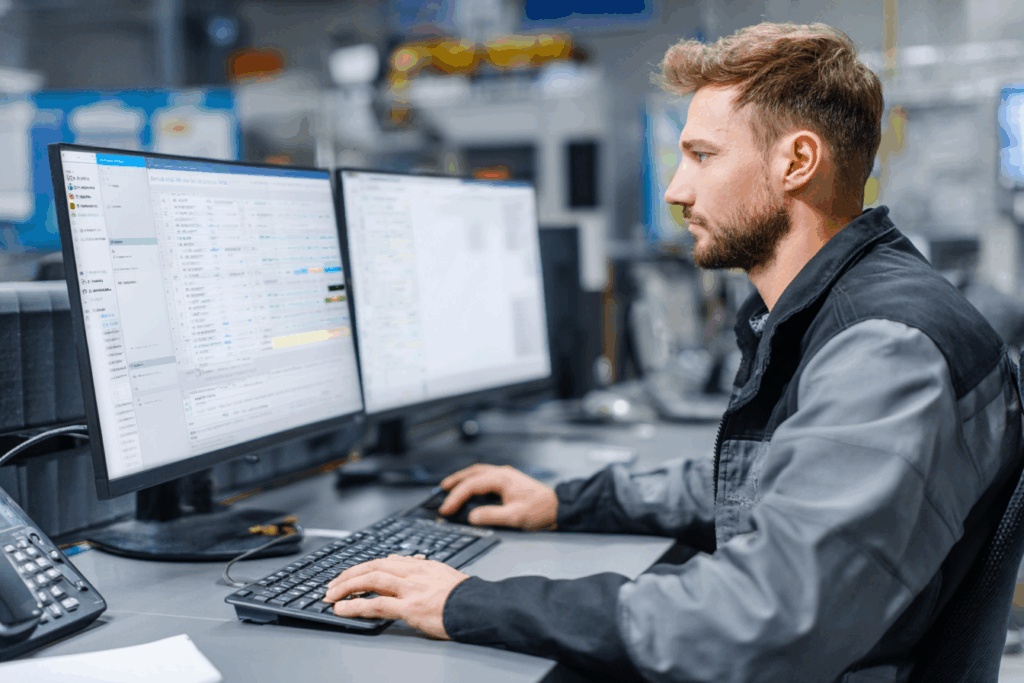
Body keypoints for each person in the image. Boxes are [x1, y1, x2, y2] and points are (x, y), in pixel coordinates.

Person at [323, 22, 1023, 682]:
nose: (675, 189)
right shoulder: (847, 310)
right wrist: (566, 500)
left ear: (797, 162)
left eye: (703, 156)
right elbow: (770, 476)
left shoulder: (885, 346)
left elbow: (757, 617)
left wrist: (468, 601)